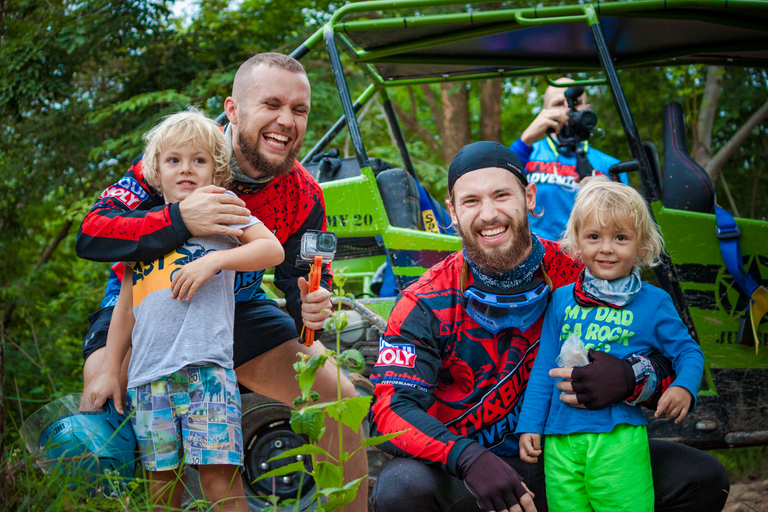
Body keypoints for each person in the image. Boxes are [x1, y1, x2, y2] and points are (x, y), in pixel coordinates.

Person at [369, 141, 728, 512]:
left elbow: (678, 358)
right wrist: (466, 458)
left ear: (528, 196)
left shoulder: (581, 272)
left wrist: (630, 377)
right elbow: (389, 414)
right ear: (453, 212)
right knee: (401, 487)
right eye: (471, 201)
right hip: (474, 476)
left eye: (501, 195)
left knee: (703, 479)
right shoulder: (424, 301)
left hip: (571, 453)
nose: (489, 214)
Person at [76, 53, 368, 510]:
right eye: (271, 104)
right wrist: (178, 218)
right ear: (233, 110)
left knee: (339, 398)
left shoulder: (304, 193)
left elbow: (302, 281)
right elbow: (92, 233)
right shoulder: (181, 154)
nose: (286, 121)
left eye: (299, 109)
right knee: (96, 426)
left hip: (234, 309)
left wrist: (314, 303)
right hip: (145, 307)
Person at [87, 109, 284, 510]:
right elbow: (125, 309)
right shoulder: (144, 224)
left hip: (207, 371)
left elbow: (272, 249)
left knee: (218, 480)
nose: (186, 169)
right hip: (147, 378)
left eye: (199, 160)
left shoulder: (222, 206)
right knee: (161, 486)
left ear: (216, 170)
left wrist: (214, 261)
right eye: (173, 160)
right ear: (156, 171)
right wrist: (110, 372)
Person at [515, 176, 705, 512]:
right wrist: (530, 425)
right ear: (576, 243)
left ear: (641, 246)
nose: (606, 248)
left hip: (617, 438)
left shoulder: (654, 302)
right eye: (593, 237)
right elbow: (544, 366)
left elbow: (688, 351)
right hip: (560, 438)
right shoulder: (561, 300)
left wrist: (684, 387)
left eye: (620, 238)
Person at [510, 78, 626, 241]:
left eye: (575, 103)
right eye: (558, 104)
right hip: (535, 255)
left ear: (587, 109)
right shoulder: (526, 152)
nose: (567, 110)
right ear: (544, 112)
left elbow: (626, 225)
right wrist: (526, 139)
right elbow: (499, 183)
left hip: (588, 258)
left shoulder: (610, 165)